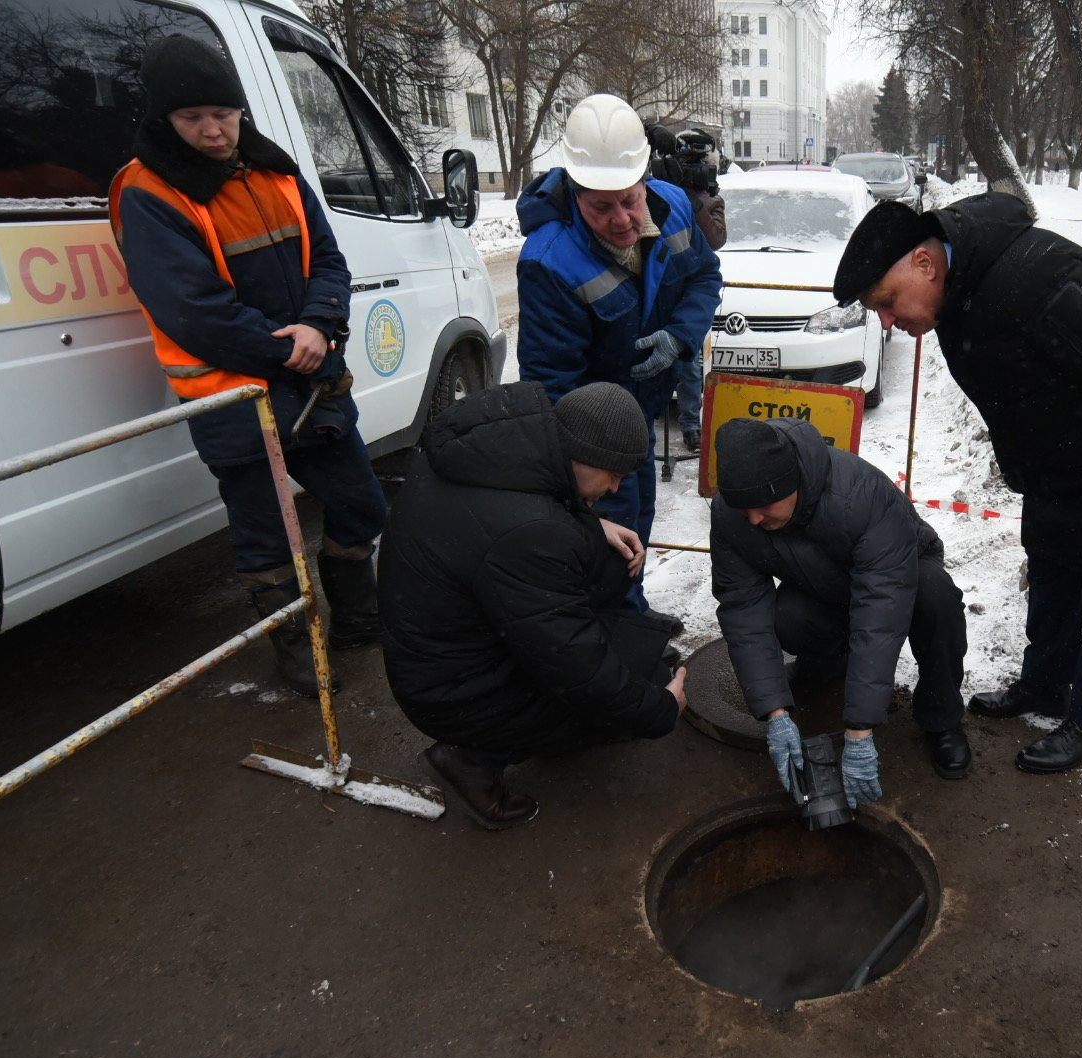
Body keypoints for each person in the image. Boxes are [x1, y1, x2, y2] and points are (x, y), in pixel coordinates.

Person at [833, 195, 1082, 774]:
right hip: (1059, 469)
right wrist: (1022, 465)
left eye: (887, 302)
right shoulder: (957, 297)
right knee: (1053, 573)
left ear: (924, 263)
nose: (888, 322)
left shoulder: (1036, 276)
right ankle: (1044, 685)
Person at [110, 34, 385, 697]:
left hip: (311, 384)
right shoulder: (146, 190)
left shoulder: (275, 168)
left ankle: (356, 624)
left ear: (240, 110)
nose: (211, 132)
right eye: (192, 119)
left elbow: (328, 260)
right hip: (236, 396)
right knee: (267, 540)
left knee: (360, 506)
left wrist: (319, 324)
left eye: (222, 115)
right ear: (164, 120)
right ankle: (298, 658)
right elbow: (193, 311)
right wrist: (287, 345)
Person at [377, 382, 689, 830]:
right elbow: (575, 670)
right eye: (613, 474)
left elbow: (509, 529)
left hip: (441, 647)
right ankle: (471, 759)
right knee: (641, 690)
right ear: (581, 455)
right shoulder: (526, 532)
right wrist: (656, 710)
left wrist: (591, 526)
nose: (618, 486)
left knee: (607, 561)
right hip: (455, 693)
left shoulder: (491, 455)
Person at [516, 93, 723, 615]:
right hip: (592, 435)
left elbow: (704, 276)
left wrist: (680, 334)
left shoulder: (673, 206)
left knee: (640, 519)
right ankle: (617, 631)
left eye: (630, 200)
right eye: (601, 207)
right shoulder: (550, 261)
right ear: (574, 191)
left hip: (642, 413)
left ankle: (632, 610)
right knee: (607, 538)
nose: (623, 219)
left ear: (644, 179)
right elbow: (550, 381)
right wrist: (581, 473)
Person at [710, 418, 971, 804]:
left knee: (937, 600)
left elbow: (880, 610)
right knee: (786, 615)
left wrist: (859, 731)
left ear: (792, 483)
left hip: (905, 571)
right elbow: (743, 607)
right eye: (742, 507)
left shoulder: (860, 495)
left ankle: (941, 717)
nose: (752, 519)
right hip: (825, 582)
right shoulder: (735, 514)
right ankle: (829, 662)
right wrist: (774, 714)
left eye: (762, 506)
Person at [646, 124, 729, 454]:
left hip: (686, 296)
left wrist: (690, 200)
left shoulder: (711, 198)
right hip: (656, 290)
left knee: (689, 365)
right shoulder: (659, 191)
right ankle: (647, 421)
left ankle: (692, 424)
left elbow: (716, 240)